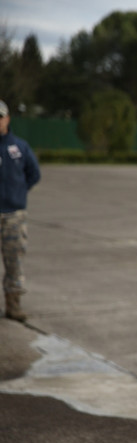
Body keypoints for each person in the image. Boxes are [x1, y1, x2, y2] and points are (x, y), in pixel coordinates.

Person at [0, 99, 41, 322]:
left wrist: (18, 193)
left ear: (7, 118)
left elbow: (34, 174)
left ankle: (13, 304)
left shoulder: (20, 147)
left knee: (14, 260)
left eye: (0, 117)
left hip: (13, 215)